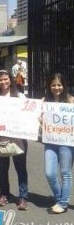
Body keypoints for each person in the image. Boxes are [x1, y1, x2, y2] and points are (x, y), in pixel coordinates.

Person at [0, 69, 28, 210]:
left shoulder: (19, 96)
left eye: (5, 79)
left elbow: (29, 114)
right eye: (0, 80)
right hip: (2, 138)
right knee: (2, 169)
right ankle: (4, 195)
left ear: (10, 80)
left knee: (21, 169)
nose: (3, 82)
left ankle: (23, 197)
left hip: (18, 138)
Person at [42, 73, 74, 214]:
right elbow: (36, 119)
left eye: (59, 84)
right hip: (50, 142)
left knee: (65, 173)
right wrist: (39, 120)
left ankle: (62, 203)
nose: (56, 87)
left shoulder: (71, 101)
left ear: (64, 86)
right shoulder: (44, 102)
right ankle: (60, 198)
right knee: (49, 172)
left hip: (67, 142)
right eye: (53, 85)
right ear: (49, 86)